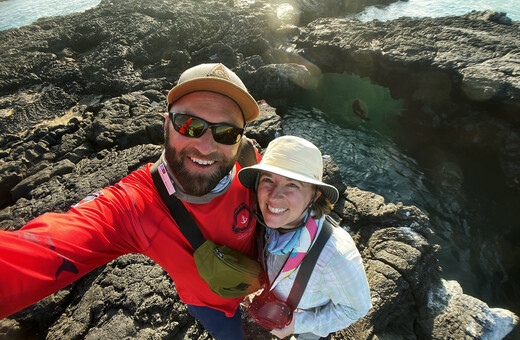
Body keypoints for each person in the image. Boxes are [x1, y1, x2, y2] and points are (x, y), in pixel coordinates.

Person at [0, 63, 262, 340]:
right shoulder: (134, 205)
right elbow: (35, 255)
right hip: (212, 307)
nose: (206, 147)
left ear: (240, 139)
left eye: (226, 133)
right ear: (166, 125)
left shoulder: (248, 160)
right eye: (189, 125)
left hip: (262, 280)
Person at [238, 136, 372, 339]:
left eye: (292, 184)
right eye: (267, 179)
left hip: (307, 324)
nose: (273, 196)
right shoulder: (266, 222)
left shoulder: (336, 256)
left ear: (314, 196)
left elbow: (356, 309)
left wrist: (297, 325)